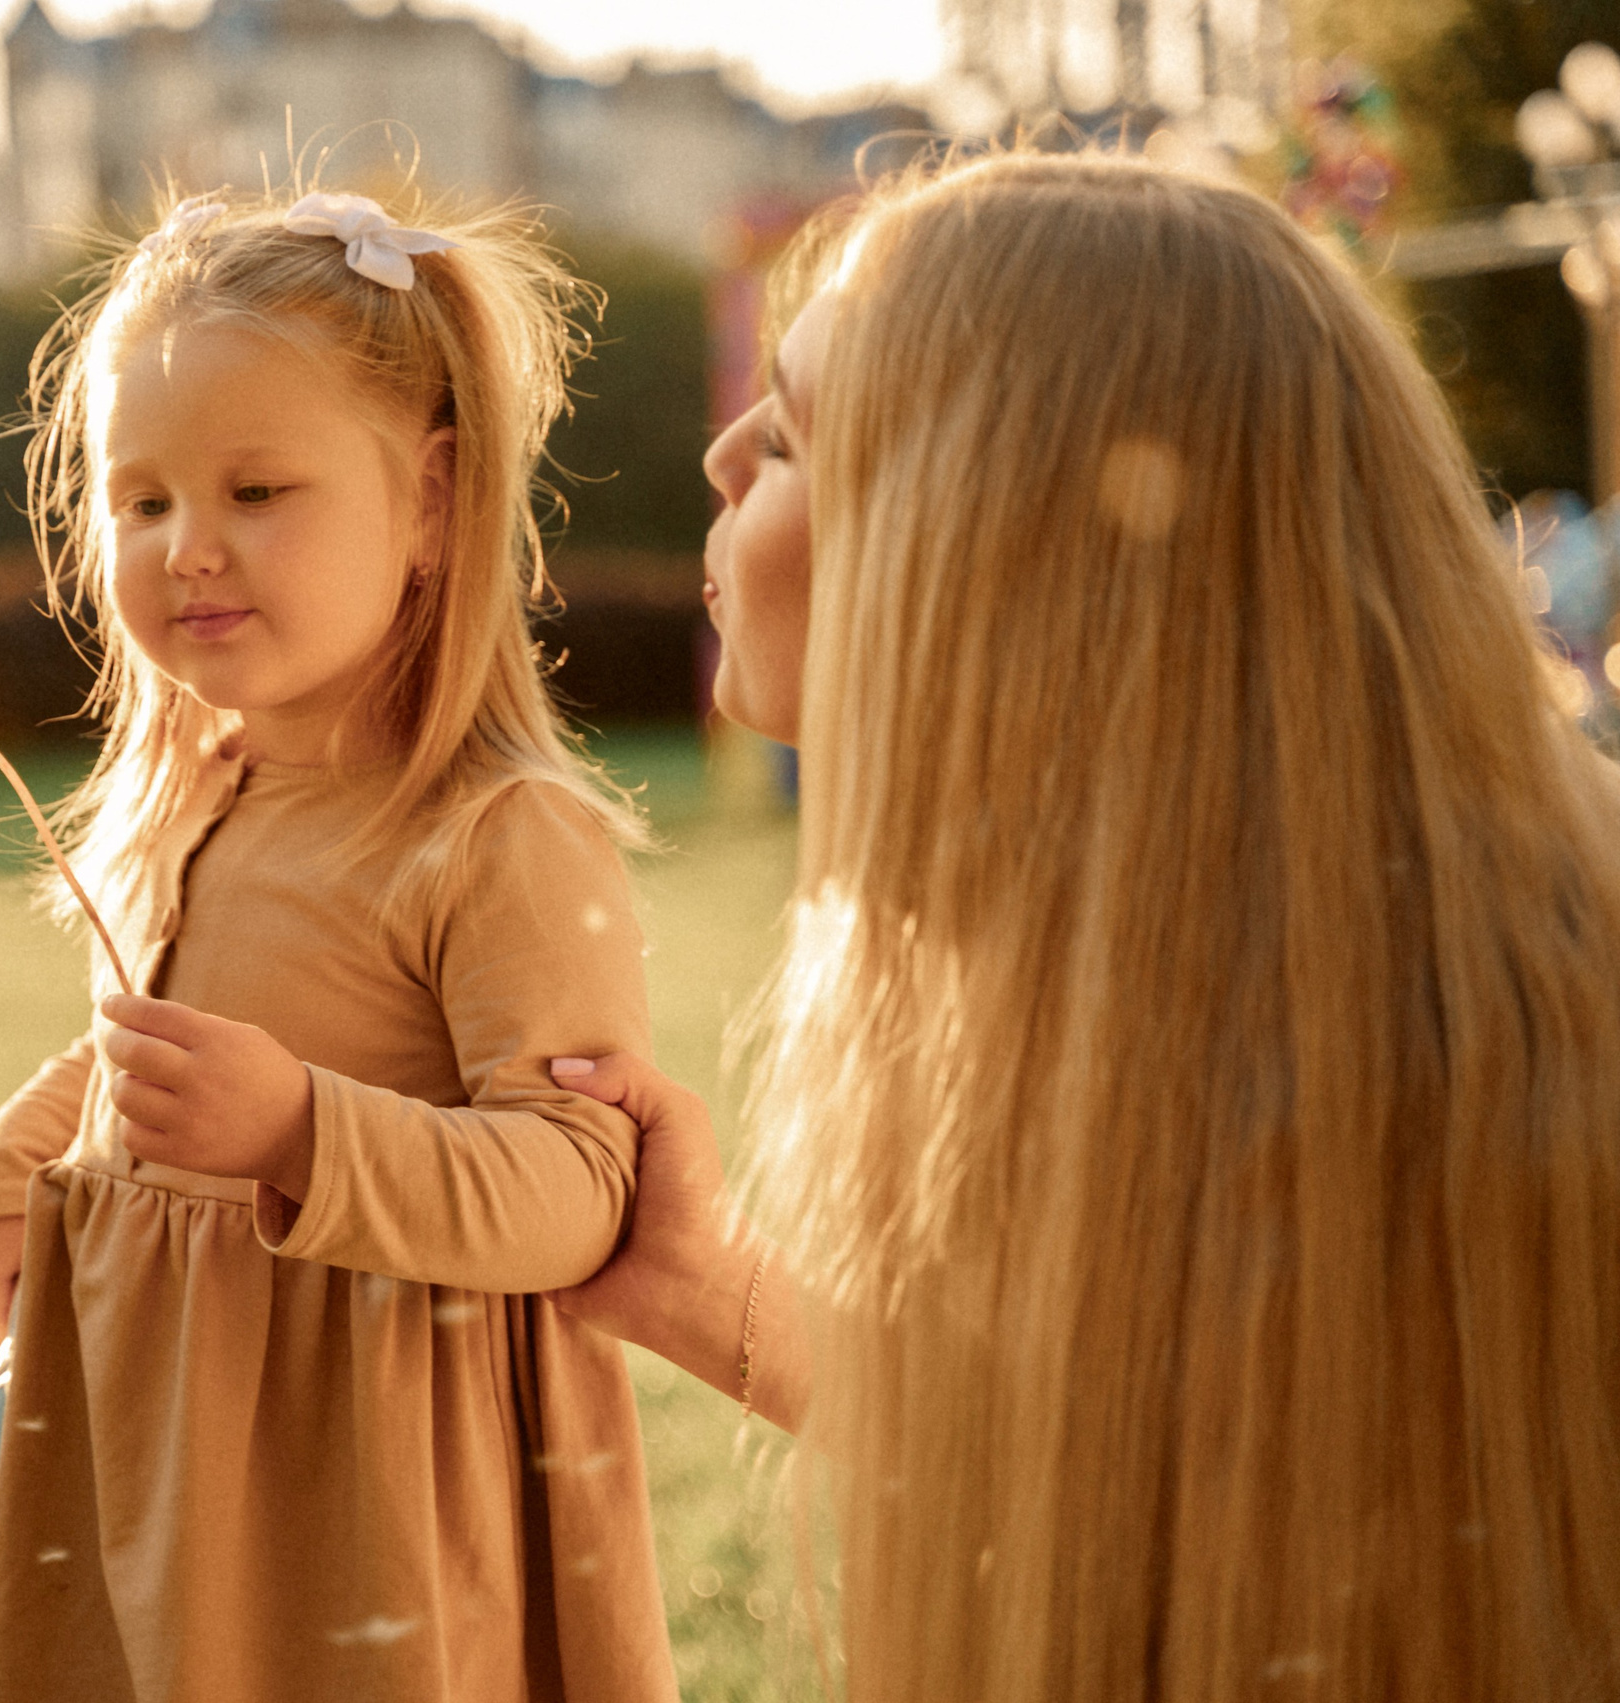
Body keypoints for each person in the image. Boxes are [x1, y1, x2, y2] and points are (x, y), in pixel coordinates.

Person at [551, 150, 1620, 1699]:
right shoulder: (1276, 973)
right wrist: (703, 1292)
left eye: (788, 435)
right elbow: (1151, 1463)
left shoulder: (1278, 1062)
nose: (720, 456)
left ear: (991, 542)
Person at [0, 188, 675, 1700]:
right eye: (141, 502)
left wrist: (298, 1129)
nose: (189, 547)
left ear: (431, 500)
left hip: (371, 1493)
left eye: (257, 493)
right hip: (169, 1440)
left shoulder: (496, 834)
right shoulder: (196, 794)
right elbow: (148, 1043)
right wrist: (20, 1166)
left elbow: (576, 1186)